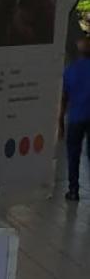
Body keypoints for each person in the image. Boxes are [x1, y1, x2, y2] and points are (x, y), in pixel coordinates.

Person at [60, 36, 90, 201]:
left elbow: (64, 98)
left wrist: (59, 122)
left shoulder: (70, 70)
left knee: (73, 154)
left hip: (75, 118)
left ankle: (73, 190)